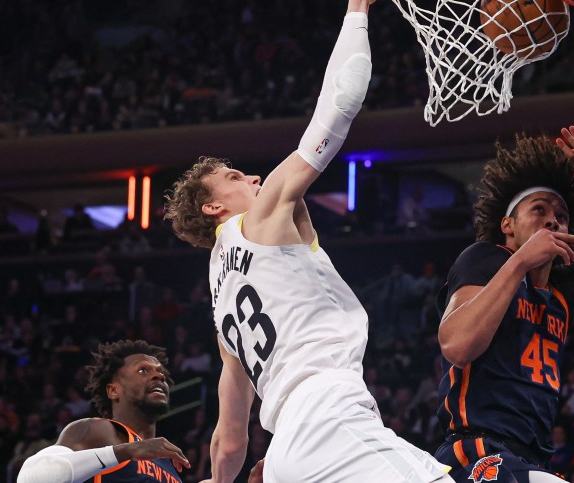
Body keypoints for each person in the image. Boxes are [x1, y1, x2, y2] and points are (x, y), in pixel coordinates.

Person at [163, 1, 452, 482]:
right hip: (328, 413)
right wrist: (357, 11)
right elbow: (339, 106)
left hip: (284, 455)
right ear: (213, 208)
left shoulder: (220, 306)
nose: (252, 175)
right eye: (234, 176)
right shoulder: (261, 216)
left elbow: (230, 436)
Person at [434, 126, 574, 482]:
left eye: (561, 216)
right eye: (539, 209)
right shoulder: (486, 259)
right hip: (476, 451)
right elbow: (457, 345)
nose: (552, 220)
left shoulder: (564, 287)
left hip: (530, 458)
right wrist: (520, 261)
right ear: (508, 225)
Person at [17, 340, 191, 483]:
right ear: (113, 391)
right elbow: (31, 477)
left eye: (161, 373)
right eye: (143, 370)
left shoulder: (170, 462)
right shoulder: (98, 430)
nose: (159, 376)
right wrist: (127, 451)